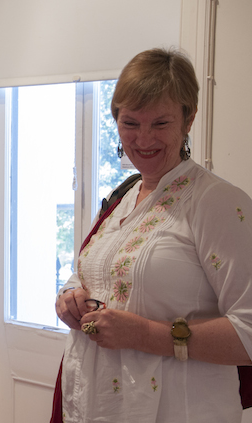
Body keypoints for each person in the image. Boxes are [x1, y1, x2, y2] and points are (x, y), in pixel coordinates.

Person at [53, 47, 252, 422]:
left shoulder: (217, 203)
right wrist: (70, 297)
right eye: (130, 123)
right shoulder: (122, 197)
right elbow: (94, 275)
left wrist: (146, 335)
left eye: (160, 123)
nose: (143, 139)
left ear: (188, 119)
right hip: (98, 407)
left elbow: (249, 330)